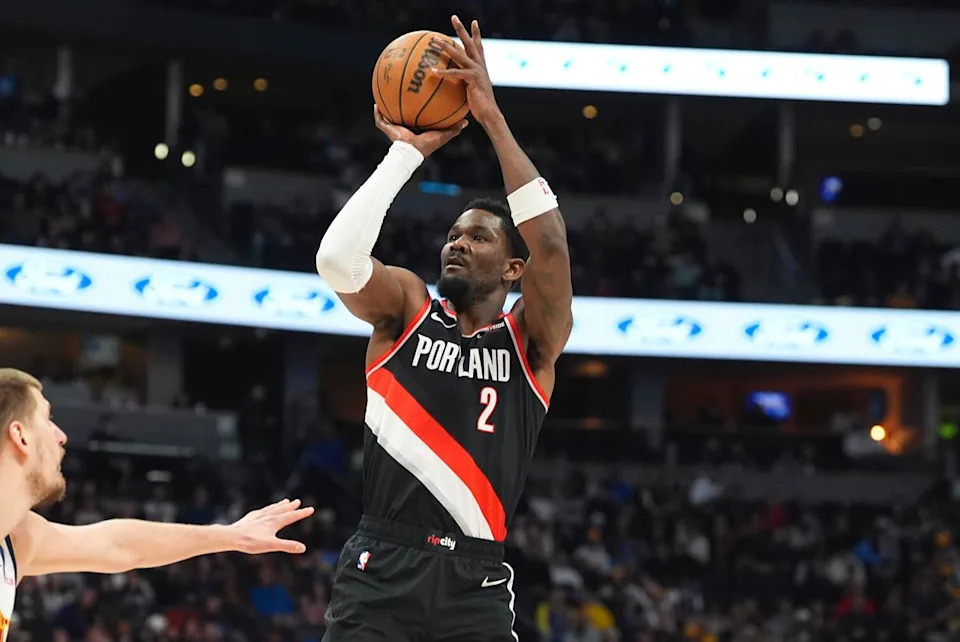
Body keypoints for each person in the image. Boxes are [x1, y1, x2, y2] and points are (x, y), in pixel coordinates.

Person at [315, 15, 573, 642]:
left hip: (474, 582)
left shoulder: (530, 343)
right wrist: (406, 152)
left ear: (513, 267)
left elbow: (553, 247)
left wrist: (490, 118)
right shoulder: (406, 307)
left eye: (478, 237)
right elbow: (336, 262)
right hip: (381, 567)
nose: (457, 243)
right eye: (453, 234)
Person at [0, 368, 314, 642]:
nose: (62, 435)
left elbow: (118, 545)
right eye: (47, 418)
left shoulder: (17, 538)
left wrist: (231, 535)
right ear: (21, 435)